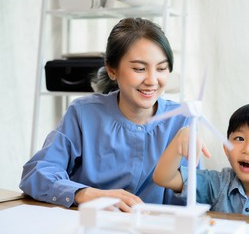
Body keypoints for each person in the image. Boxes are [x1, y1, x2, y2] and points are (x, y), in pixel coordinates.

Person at [20, 17, 190, 212]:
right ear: (111, 70)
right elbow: (36, 174)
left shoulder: (182, 121)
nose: (152, 80)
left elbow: (192, 195)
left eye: (161, 68)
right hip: (88, 227)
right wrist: (86, 194)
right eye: (139, 69)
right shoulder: (83, 113)